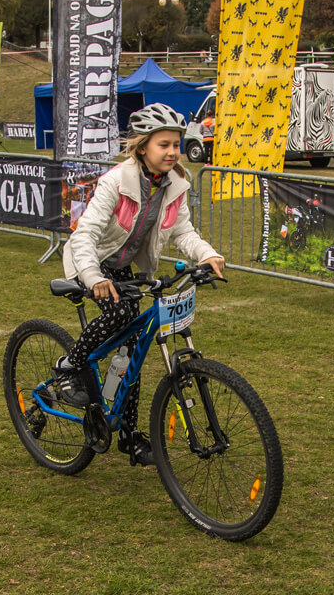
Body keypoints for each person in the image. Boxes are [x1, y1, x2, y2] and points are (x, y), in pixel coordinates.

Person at [54, 103, 225, 466]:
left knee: (130, 353)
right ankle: (70, 366)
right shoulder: (116, 181)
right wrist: (94, 277)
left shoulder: (175, 183)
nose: (173, 152)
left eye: (177, 144)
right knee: (118, 315)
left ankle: (129, 435)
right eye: (164, 144)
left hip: (124, 268)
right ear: (143, 146)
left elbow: (183, 231)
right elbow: (85, 234)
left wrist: (207, 254)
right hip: (92, 263)